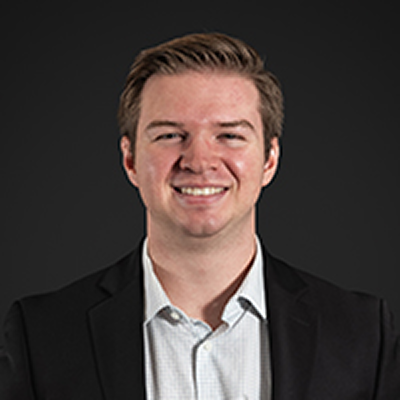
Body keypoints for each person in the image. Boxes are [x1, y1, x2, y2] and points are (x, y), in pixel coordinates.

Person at [0, 32, 399, 399]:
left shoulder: (364, 334)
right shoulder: (40, 337)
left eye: (230, 135)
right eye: (170, 135)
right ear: (130, 159)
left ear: (269, 160)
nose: (199, 161)